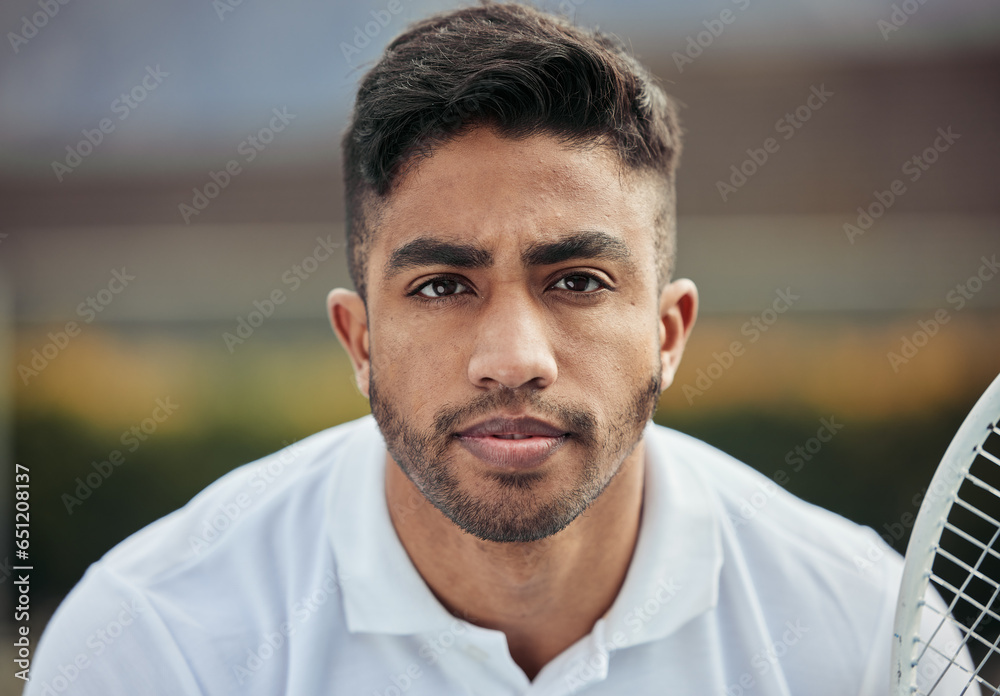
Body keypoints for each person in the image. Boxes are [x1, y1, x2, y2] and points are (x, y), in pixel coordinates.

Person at [27, 2, 968, 694]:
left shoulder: (869, 636)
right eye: (442, 286)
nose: (514, 357)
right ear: (358, 340)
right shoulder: (153, 643)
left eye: (577, 282)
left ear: (669, 332)